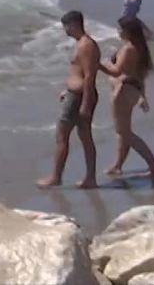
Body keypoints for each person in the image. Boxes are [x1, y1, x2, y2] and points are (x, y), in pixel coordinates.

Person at [37, 10, 100, 189]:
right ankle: (90, 178)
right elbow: (79, 72)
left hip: (79, 97)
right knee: (85, 136)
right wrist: (68, 89)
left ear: (74, 24)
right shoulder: (82, 43)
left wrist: (86, 103)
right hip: (77, 94)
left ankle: (56, 177)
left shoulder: (86, 45)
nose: (65, 30)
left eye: (66, 26)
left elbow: (89, 76)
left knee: (62, 135)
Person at [100, 16, 154, 183]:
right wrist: (142, 96)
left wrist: (99, 64)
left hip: (123, 90)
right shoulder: (140, 47)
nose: (118, 31)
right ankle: (118, 165)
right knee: (124, 131)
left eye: (121, 29)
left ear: (128, 31)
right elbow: (140, 75)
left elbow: (116, 71)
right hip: (132, 89)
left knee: (124, 132)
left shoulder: (129, 49)